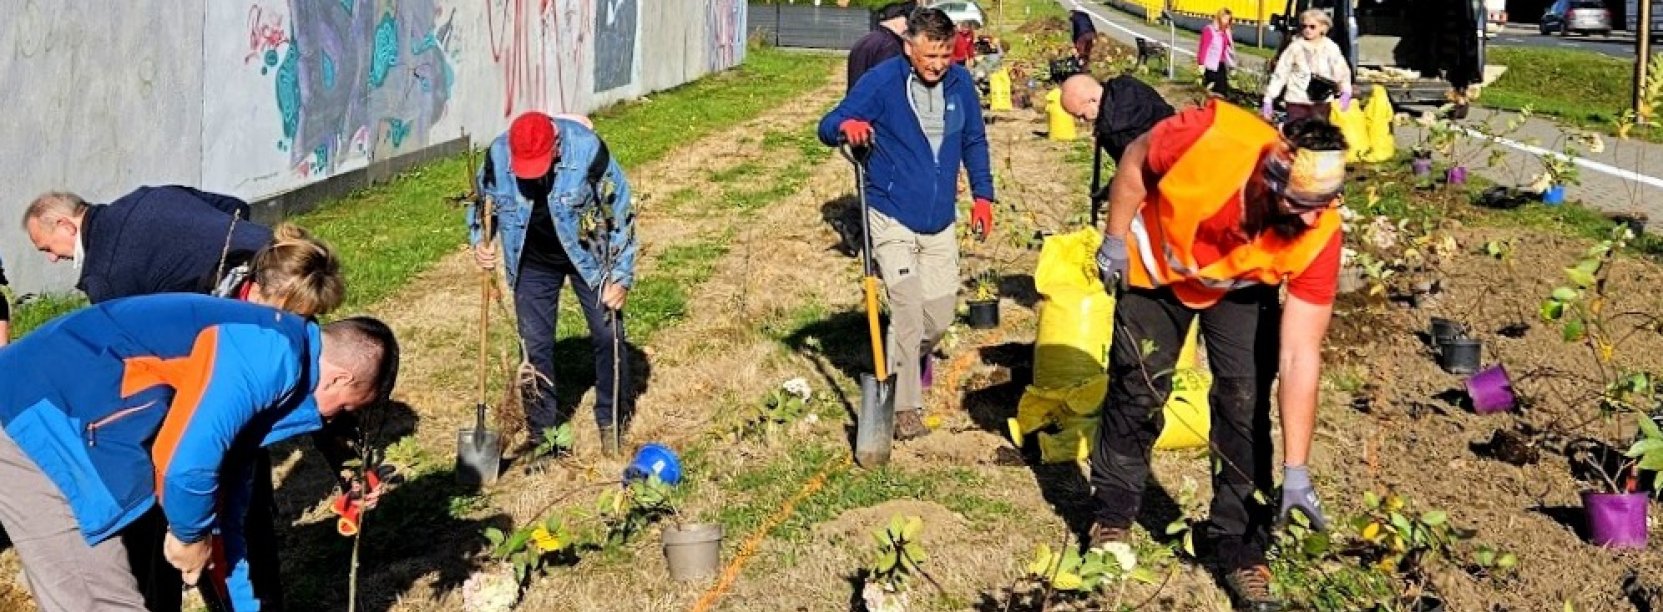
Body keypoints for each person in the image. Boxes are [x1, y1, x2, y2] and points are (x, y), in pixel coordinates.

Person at [1089, 101, 1348, 610]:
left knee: (1244, 401)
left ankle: (1241, 546)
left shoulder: (1320, 231)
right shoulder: (1209, 135)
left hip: (1240, 287)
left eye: (1326, 202)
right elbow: (1137, 160)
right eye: (1301, 202)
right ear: (1271, 179)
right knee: (1138, 385)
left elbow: (1300, 355)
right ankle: (1113, 518)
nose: (1315, 216)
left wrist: (1297, 469)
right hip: (1157, 268)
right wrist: (1115, 239)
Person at [0, 295, 398, 612]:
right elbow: (184, 466)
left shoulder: (266, 384)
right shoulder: (266, 355)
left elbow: (225, 524)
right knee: (95, 597)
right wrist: (190, 536)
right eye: (346, 408)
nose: (333, 420)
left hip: (81, 427)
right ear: (341, 377)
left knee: (140, 580)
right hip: (35, 418)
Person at [818, 7, 995, 440]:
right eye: (929, 56)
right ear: (909, 47)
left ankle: (904, 363)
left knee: (938, 316)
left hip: (939, 220)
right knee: (907, 308)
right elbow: (827, 126)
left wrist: (984, 196)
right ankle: (904, 409)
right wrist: (850, 124)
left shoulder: (960, 84)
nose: (937, 66)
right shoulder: (882, 82)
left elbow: (974, 140)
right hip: (890, 212)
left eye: (945, 56)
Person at [473, 110, 637, 458]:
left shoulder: (587, 149)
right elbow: (482, 201)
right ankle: (543, 436)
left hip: (590, 256)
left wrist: (621, 276)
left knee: (609, 334)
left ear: (557, 147)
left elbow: (619, 209)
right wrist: (479, 241)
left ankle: (611, 420)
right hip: (531, 261)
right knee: (534, 348)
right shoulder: (498, 155)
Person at [22, 187, 272, 303]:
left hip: (261, 296)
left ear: (66, 226)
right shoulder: (147, 195)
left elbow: (142, 341)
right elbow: (236, 206)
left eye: (47, 249)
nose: (52, 258)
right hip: (288, 252)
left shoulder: (103, 277)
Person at [1262, 8, 1353, 123]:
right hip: (1297, 101)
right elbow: (1281, 73)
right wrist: (1269, 98)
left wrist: (1346, 91)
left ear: (1323, 28)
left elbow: (1342, 71)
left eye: (1312, 26)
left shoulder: (1331, 48)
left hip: (1321, 102)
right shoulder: (1295, 47)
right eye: (1304, 26)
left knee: (1318, 135)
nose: (1307, 30)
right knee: (1297, 135)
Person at [848, 2, 917, 91]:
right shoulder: (890, 45)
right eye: (906, 22)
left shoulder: (865, 40)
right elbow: (888, 81)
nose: (907, 27)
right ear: (898, 21)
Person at [1199, 9, 1237, 97]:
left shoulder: (1226, 32)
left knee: (1222, 91)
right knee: (1211, 90)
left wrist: (1232, 66)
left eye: (1228, 20)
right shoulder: (1209, 30)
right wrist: (1201, 64)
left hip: (1221, 65)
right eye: (1225, 19)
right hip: (1211, 65)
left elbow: (1229, 51)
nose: (1226, 22)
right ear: (1219, 17)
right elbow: (1204, 48)